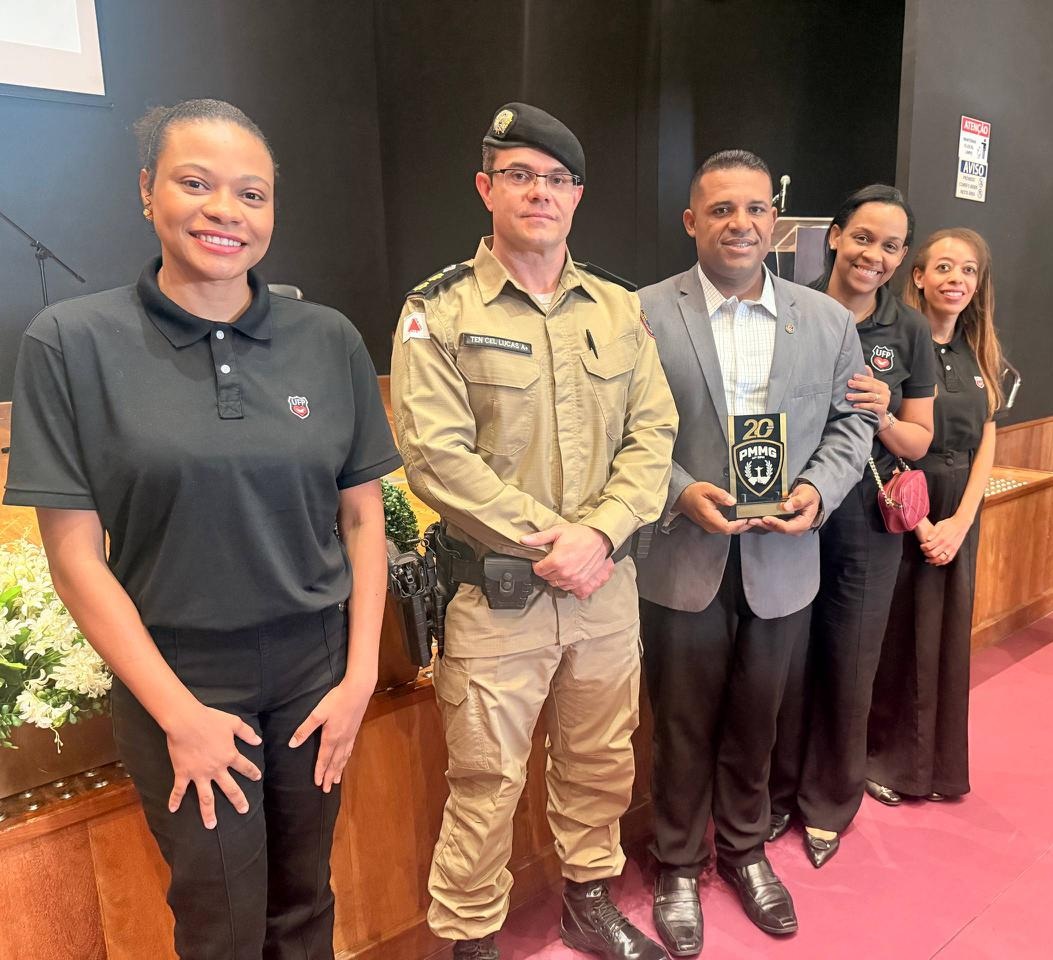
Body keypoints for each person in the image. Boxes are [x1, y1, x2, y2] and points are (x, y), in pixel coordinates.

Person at [3, 99, 400, 960]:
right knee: (218, 917)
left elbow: (363, 518)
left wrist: (360, 673)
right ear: (147, 192)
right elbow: (74, 557)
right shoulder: (71, 343)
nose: (226, 210)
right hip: (178, 674)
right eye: (196, 183)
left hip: (316, 671)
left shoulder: (325, 339)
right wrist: (179, 714)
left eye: (251, 194)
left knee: (305, 899)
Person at [390, 103, 678, 960]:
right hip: (497, 597)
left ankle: (588, 898)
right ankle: (470, 939)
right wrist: (559, 540)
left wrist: (604, 533)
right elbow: (434, 458)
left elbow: (652, 436)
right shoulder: (436, 310)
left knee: (600, 760)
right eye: (518, 175)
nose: (538, 192)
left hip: (603, 593)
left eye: (555, 179)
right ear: (486, 188)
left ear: (577, 196)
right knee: (484, 782)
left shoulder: (620, 310)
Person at [636, 149, 873, 954]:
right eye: (721, 210)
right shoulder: (640, 315)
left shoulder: (828, 321)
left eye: (753, 209)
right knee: (679, 721)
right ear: (691, 221)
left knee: (758, 718)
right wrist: (677, 490)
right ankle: (674, 863)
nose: (740, 223)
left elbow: (851, 425)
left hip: (782, 560)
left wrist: (815, 491)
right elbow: (620, 433)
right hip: (680, 556)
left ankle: (741, 851)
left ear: (773, 220)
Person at [769, 185, 938, 868]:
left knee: (848, 663)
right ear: (835, 236)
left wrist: (882, 413)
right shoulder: (786, 309)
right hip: (787, 513)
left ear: (900, 260)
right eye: (862, 237)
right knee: (783, 661)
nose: (873, 254)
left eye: (889, 246)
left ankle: (828, 803)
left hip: (866, 523)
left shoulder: (909, 331)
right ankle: (775, 791)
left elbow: (919, 439)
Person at [866, 228, 1004, 803]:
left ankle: (938, 769)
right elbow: (882, 444)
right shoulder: (899, 346)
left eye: (968, 271)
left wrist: (961, 522)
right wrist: (923, 524)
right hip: (903, 517)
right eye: (943, 268)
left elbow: (986, 441)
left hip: (958, 522)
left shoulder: (982, 353)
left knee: (946, 643)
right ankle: (885, 763)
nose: (956, 280)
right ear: (917, 276)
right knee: (899, 642)